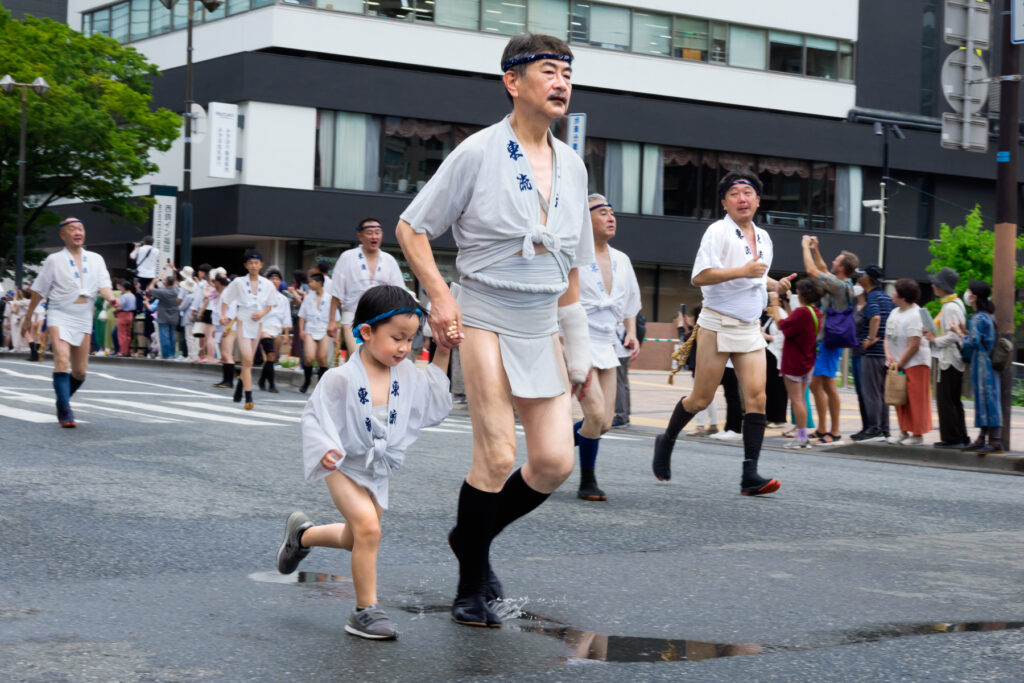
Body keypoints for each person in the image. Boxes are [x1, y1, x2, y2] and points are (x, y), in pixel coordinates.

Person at [395, 33, 595, 627]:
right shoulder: (479, 152)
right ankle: (469, 588)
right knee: (497, 454)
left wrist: (579, 354)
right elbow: (412, 228)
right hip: (483, 313)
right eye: (548, 72)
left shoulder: (574, 164)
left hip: (542, 324)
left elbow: (574, 268)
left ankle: (469, 538)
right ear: (513, 82)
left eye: (567, 73)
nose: (561, 83)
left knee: (556, 462)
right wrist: (439, 297)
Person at [276, 286, 453, 640]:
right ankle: (365, 610)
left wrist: (443, 349)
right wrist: (325, 447)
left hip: (376, 467)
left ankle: (302, 536)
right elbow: (314, 416)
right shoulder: (340, 378)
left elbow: (434, 396)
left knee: (354, 537)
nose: (404, 347)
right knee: (370, 530)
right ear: (367, 332)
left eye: (411, 339)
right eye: (396, 338)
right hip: (342, 464)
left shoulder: (407, 374)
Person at [651, 169, 794, 495]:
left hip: (749, 326)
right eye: (734, 194)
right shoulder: (718, 232)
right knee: (701, 398)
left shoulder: (764, 237)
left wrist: (776, 283)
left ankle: (750, 475)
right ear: (724, 203)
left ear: (758, 200)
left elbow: (757, 277)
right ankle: (667, 439)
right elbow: (700, 277)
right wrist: (743, 270)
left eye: (748, 193)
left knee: (757, 396)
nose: (742, 199)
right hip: (717, 323)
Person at [572, 194, 641, 501]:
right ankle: (587, 481)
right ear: (586, 220)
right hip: (578, 340)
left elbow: (629, 303)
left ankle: (552, 443)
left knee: (606, 422)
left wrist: (631, 333)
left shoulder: (622, 259)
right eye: (602, 213)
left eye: (612, 213)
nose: (611, 218)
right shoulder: (572, 256)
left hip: (608, 343)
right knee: (595, 414)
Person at [22, 217, 117, 427]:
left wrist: (111, 298)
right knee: (62, 360)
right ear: (62, 235)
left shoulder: (96, 259)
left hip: (83, 315)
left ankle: (61, 400)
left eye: (81, 228)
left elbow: (104, 285)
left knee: (80, 372)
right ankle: (65, 410)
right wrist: (28, 318)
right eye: (72, 229)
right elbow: (39, 291)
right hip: (59, 313)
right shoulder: (54, 260)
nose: (77, 232)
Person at [327, 218, 408, 366]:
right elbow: (336, 292)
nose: (374, 236)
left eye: (377, 232)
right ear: (360, 236)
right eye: (369, 233)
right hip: (353, 316)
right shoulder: (347, 257)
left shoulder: (389, 260)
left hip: (381, 318)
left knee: (375, 361)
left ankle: (355, 387)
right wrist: (332, 320)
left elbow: (399, 292)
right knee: (360, 358)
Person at [801, 236, 858, 444]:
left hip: (829, 340)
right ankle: (824, 428)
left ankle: (831, 431)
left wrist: (805, 247)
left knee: (825, 385)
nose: (832, 262)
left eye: (836, 261)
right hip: (830, 339)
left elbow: (813, 272)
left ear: (842, 267)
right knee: (819, 385)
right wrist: (816, 250)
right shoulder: (844, 283)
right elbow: (824, 269)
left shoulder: (837, 285)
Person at [951, 281, 1003, 454]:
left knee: (986, 400)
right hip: (987, 362)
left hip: (982, 364)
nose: (967, 294)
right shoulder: (988, 316)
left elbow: (973, 341)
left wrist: (958, 333)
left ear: (974, 296)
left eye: (969, 291)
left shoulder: (979, 317)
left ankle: (993, 440)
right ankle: (985, 438)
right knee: (988, 400)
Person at [220, 252, 276, 409]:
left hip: (257, 323)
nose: (253, 265)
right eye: (250, 263)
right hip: (243, 321)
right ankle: (248, 397)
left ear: (261, 265)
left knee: (247, 363)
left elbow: (270, 305)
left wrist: (262, 314)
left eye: (256, 262)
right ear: (246, 265)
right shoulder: (238, 282)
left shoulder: (267, 284)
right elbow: (226, 299)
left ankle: (240, 385)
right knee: (248, 359)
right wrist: (224, 315)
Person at [771, 279, 822, 448]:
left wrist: (774, 303)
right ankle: (802, 436)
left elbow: (781, 325)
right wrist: (786, 306)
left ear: (801, 294)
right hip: (807, 360)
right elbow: (795, 321)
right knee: (800, 400)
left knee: (797, 400)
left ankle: (801, 437)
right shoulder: (814, 311)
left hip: (794, 361)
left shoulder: (802, 313)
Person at [923, 267, 969, 449]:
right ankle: (960, 435)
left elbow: (954, 335)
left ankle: (952, 437)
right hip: (954, 358)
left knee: (945, 399)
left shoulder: (949, 307)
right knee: (954, 399)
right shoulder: (956, 303)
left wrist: (935, 339)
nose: (933, 285)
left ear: (943, 286)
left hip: (949, 359)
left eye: (936, 283)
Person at [884, 278, 932, 445]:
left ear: (903, 297)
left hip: (915, 363)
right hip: (898, 362)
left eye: (895, 291)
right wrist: (888, 355)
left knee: (915, 398)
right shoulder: (895, 312)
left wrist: (901, 362)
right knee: (899, 397)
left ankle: (917, 435)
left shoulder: (915, 315)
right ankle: (903, 432)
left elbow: (914, 344)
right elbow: (887, 337)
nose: (893, 294)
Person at [850, 265, 894, 442]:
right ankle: (884, 429)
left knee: (872, 392)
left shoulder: (873, 297)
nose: (860, 278)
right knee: (882, 392)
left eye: (863, 275)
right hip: (884, 351)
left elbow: (875, 317)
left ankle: (874, 428)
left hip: (872, 352)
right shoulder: (887, 298)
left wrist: (870, 337)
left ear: (868, 279)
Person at [257, 267, 292, 393]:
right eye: (272, 279)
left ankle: (262, 379)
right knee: (269, 354)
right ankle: (272, 384)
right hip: (264, 328)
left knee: (273, 358)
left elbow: (286, 318)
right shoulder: (261, 297)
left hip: (277, 329)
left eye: (277, 279)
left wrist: (286, 334)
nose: (274, 281)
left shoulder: (283, 299)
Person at [298, 272, 333, 393]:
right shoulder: (308, 297)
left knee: (322, 359)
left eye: (312, 282)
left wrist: (334, 330)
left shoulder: (329, 298)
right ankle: (307, 381)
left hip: (324, 329)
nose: (309, 284)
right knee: (309, 357)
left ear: (319, 283)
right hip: (310, 329)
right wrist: (301, 330)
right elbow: (302, 316)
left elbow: (334, 318)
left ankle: (320, 385)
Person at [211, 275, 237, 388]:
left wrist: (227, 327)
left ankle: (229, 381)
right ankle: (225, 379)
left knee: (227, 353)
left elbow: (232, 311)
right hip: (224, 326)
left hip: (229, 326)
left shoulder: (231, 295)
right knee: (224, 354)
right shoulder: (227, 294)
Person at [148, 275, 181, 359]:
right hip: (174, 316)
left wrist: (153, 282)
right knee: (173, 336)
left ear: (166, 283)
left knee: (164, 336)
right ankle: (172, 354)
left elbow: (150, 290)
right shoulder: (178, 291)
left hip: (163, 317)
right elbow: (176, 285)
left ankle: (166, 355)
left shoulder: (163, 292)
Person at [115, 279, 137, 357]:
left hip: (123, 315)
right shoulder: (133, 295)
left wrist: (115, 309)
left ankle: (122, 351)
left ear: (124, 287)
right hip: (130, 314)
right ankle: (129, 350)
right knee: (128, 334)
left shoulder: (124, 296)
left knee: (121, 334)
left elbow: (120, 306)